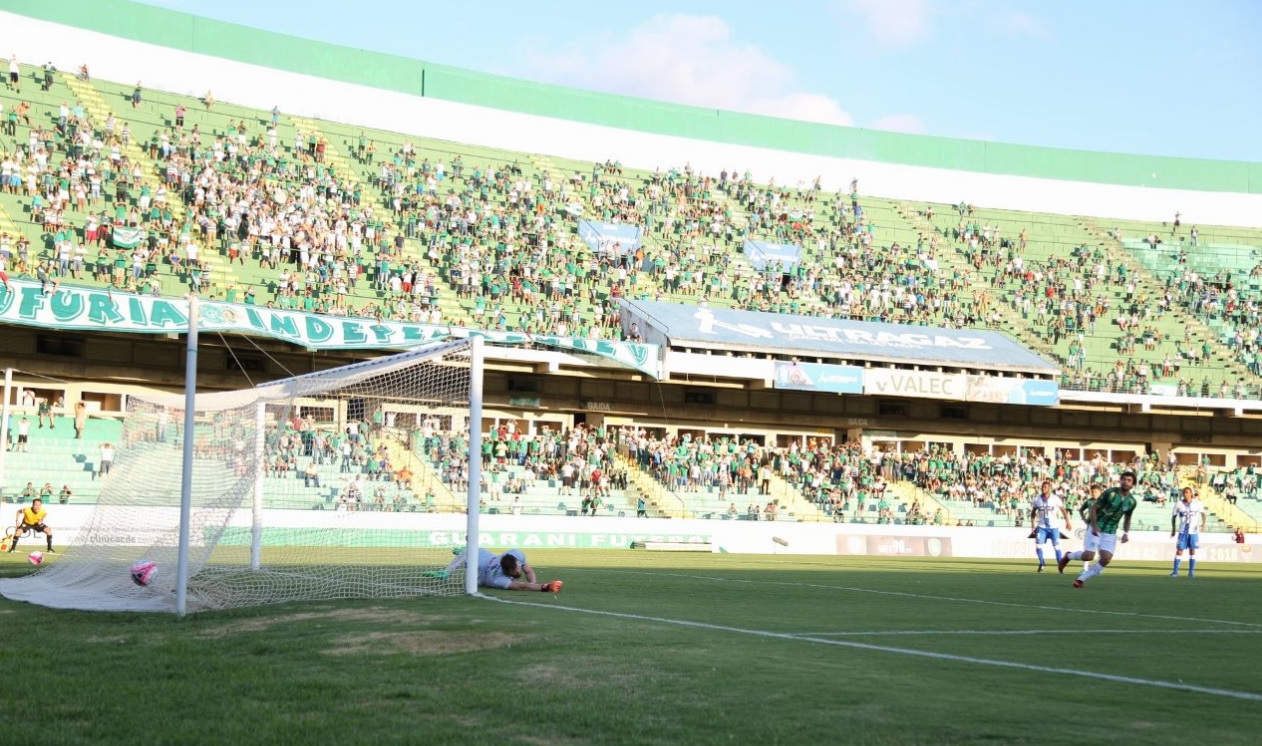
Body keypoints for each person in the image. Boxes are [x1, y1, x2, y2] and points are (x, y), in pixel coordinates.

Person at [1058, 472, 1137, 587]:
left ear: (1133, 484)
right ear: (1120, 481)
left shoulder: (1131, 502)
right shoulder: (1110, 493)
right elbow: (1094, 508)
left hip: (1110, 531)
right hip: (1097, 526)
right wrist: (1094, 526)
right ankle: (1068, 556)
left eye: (1129, 480)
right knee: (1088, 556)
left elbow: (1127, 518)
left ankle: (1080, 580)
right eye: (1124, 479)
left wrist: (1126, 533)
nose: (1125, 482)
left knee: (1106, 559)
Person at [436, 548, 562, 592]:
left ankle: (463, 550)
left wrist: (533, 584)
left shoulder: (516, 554)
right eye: (513, 572)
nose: (517, 572)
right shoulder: (498, 579)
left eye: (517, 568)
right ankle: (447, 571)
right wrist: (545, 587)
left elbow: (528, 571)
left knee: (476, 549)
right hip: (480, 573)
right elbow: (522, 586)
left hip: (485, 555)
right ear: (506, 570)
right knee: (467, 557)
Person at [1029, 479, 1072, 572]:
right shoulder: (1037, 499)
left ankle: (1060, 566)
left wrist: (1067, 522)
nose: (1043, 489)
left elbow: (1064, 510)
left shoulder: (1055, 498)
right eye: (1042, 487)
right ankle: (1042, 563)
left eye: (1045, 487)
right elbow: (1033, 513)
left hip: (1053, 527)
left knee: (1056, 546)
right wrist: (1032, 525)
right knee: (1038, 545)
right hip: (1042, 527)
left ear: (1049, 489)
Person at [1170, 486, 1206, 578]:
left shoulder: (1197, 503)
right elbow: (1173, 517)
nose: (1185, 494)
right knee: (1179, 550)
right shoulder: (1178, 504)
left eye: (1186, 492)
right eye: (1184, 492)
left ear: (1191, 494)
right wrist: (1173, 529)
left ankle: (1191, 572)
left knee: (1192, 550)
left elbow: (1203, 513)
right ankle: (1175, 572)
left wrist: (1203, 523)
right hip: (1182, 531)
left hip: (1193, 531)